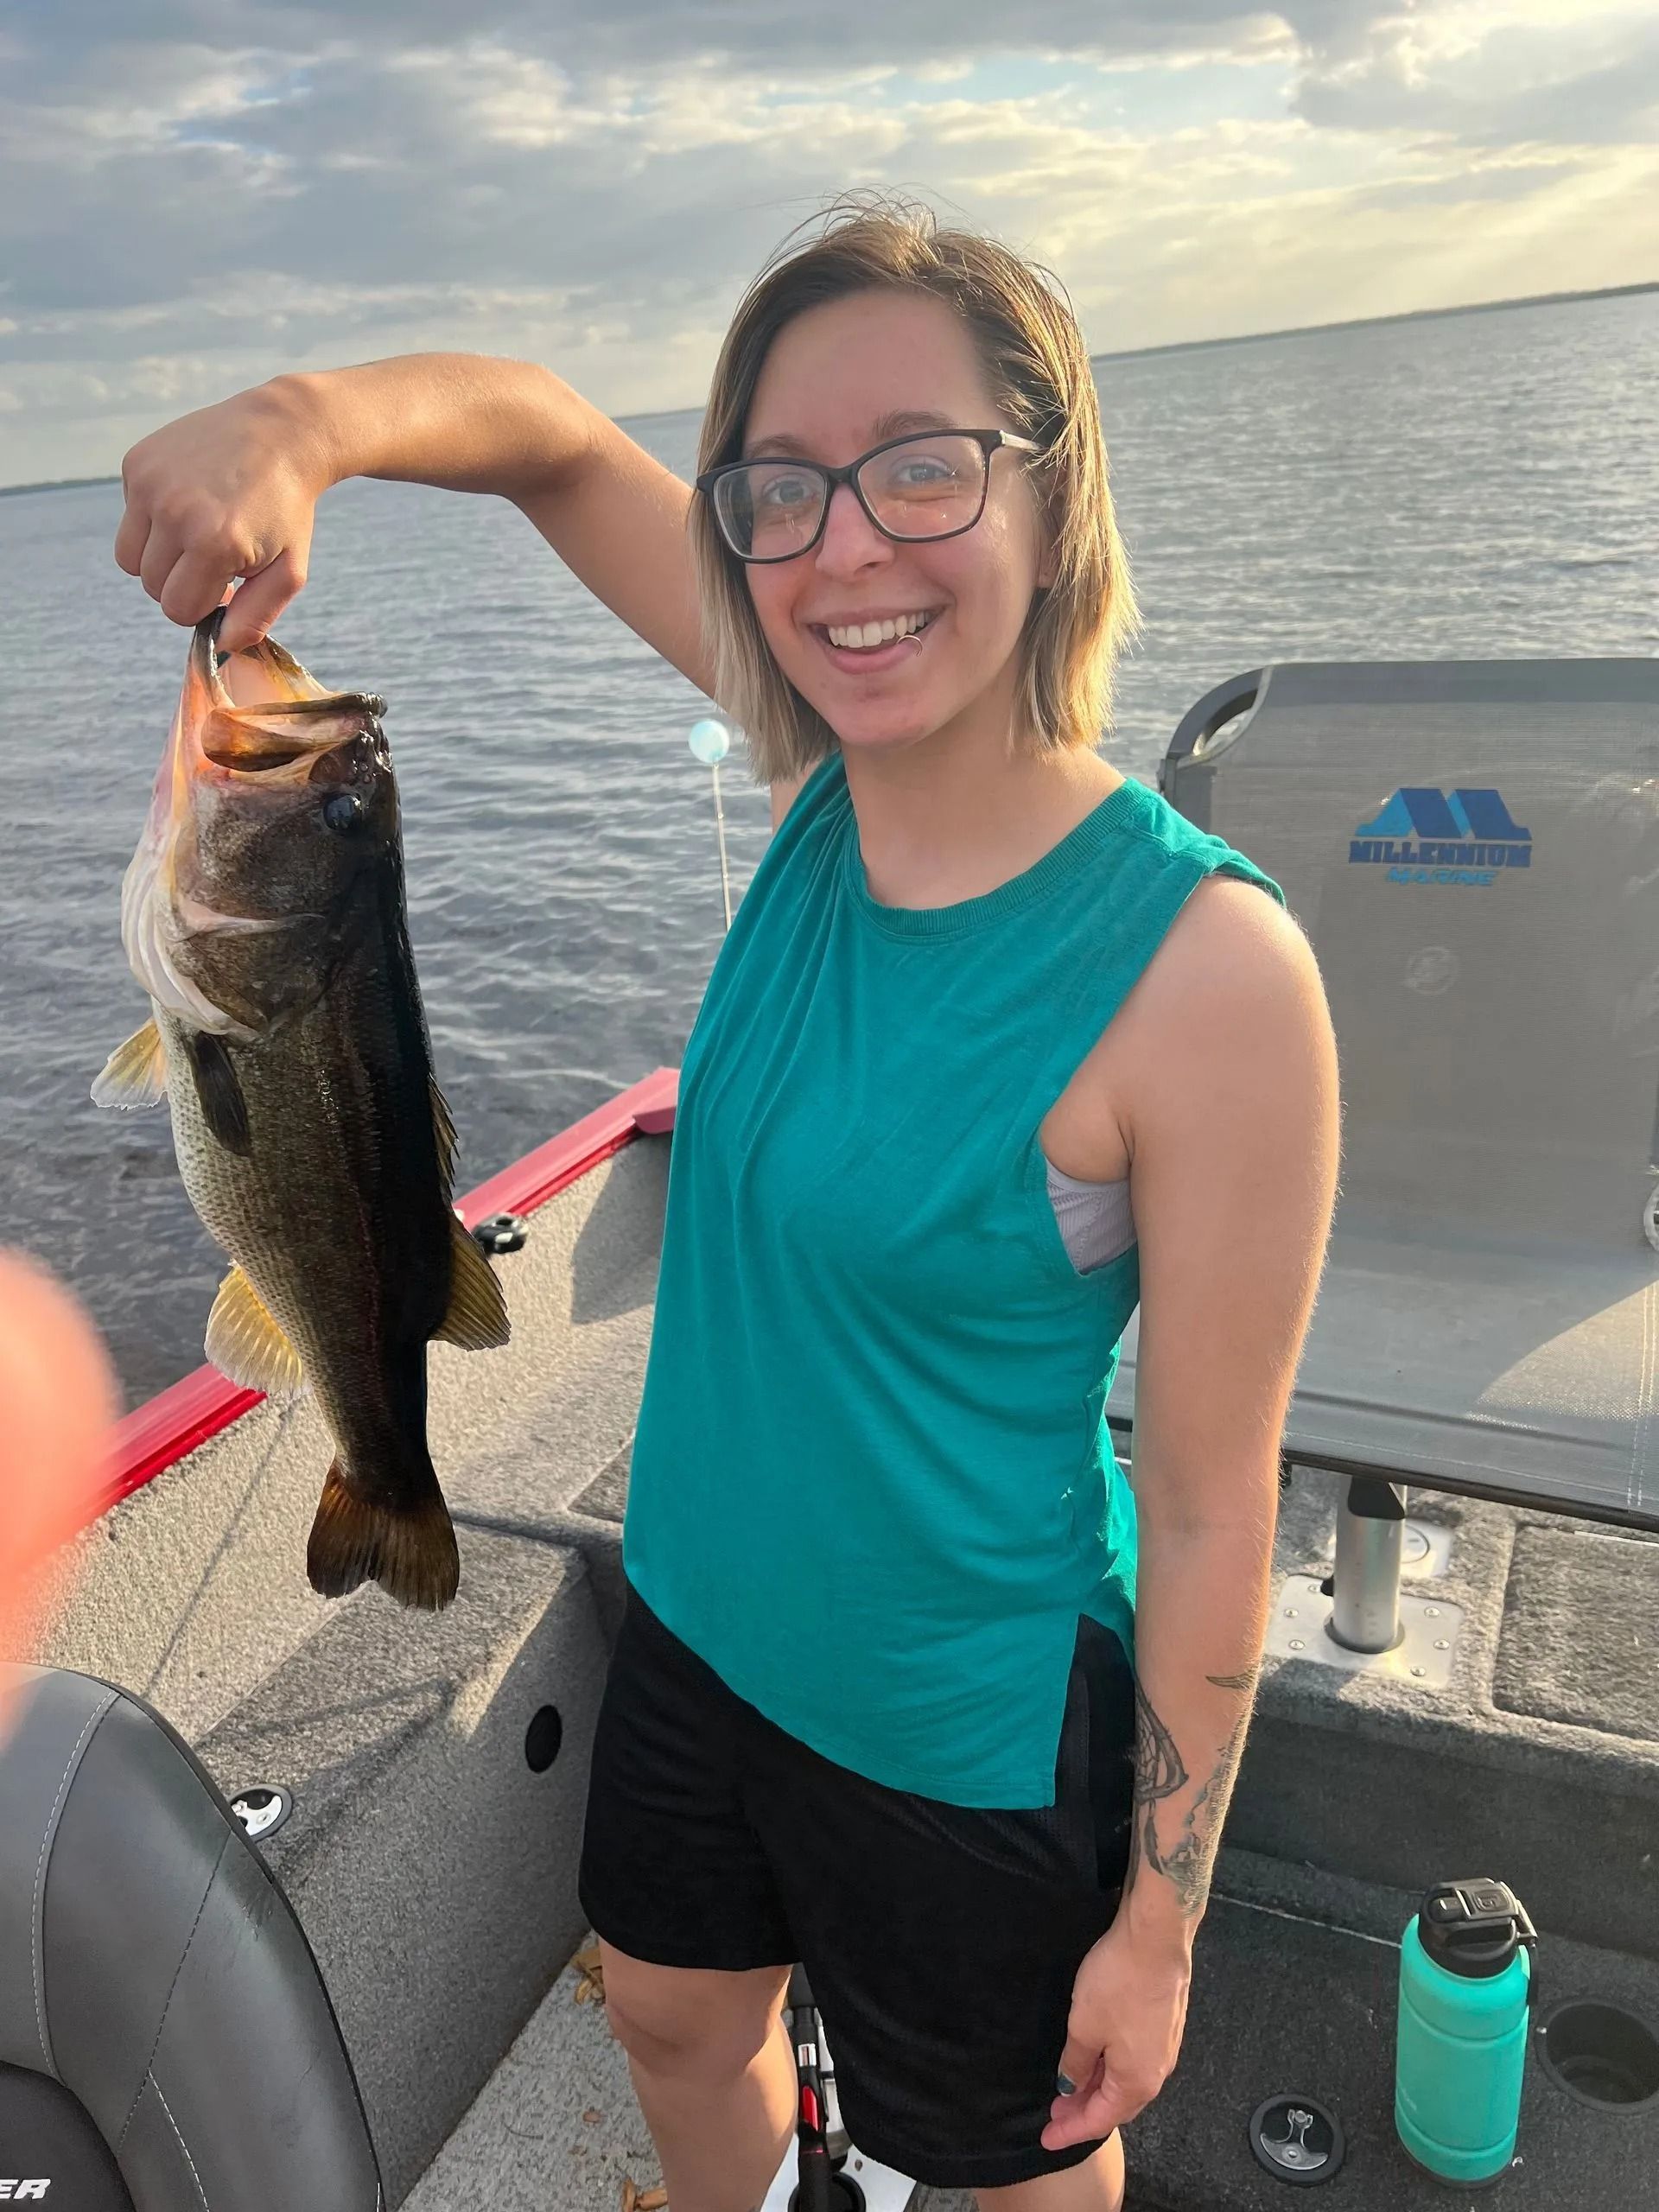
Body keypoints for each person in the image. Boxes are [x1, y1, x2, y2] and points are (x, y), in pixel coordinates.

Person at [113, 193, 1340, 2212]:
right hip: (693, 1622)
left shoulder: (1207, 975)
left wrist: (1161, 1917)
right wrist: (297, 420)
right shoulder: (819, 771)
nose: (844, 544)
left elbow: (1216, 1507)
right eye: (780, 489)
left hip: (957, 1719)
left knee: (1011, 2166)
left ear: (1055, 492)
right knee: (677, 2017)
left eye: (920, 467)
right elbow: (534, 432)